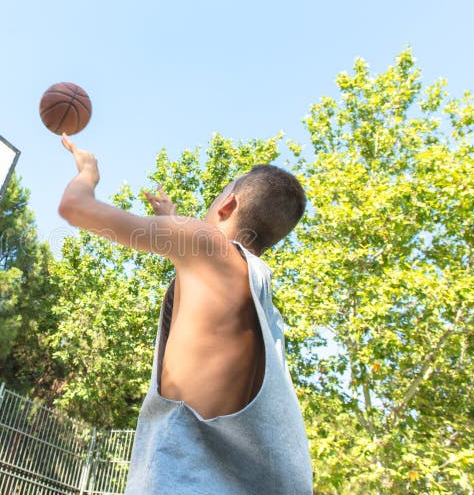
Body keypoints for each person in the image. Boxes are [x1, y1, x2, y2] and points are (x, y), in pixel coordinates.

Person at [58, 134, 313, 494]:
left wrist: (88, 171)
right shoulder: (260, 300)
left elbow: (74, 207)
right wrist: (173, 221)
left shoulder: (205, 246)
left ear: (227, 205)